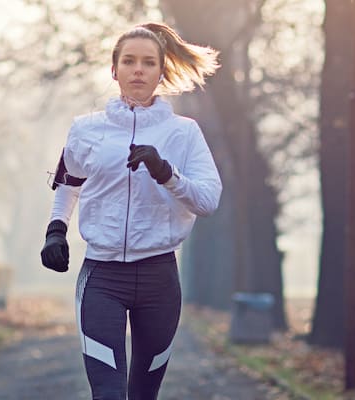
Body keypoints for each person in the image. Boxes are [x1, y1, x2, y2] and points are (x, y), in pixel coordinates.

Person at [40, 22, 223, 400]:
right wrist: (56, 229)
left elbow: (208, 201)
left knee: (143, 395)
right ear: (114, 70)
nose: (137, 69)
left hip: (159, 279)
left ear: (161, 72)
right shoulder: (85, 130)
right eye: (128, 61)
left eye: (147, 62)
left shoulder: (184, 133)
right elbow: (69, 182)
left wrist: (166, 173)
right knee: (108, 393)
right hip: (102, 278)